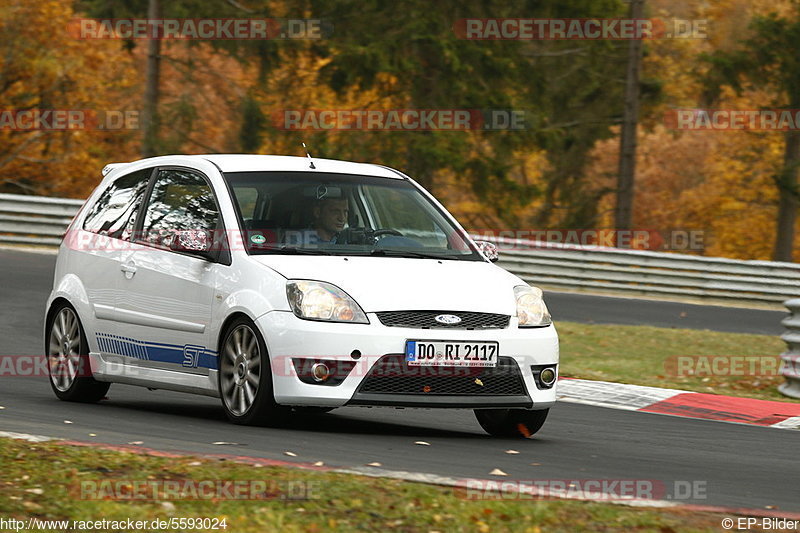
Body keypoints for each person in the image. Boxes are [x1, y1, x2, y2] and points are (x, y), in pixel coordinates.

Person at [285, 196, 349, 246]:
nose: (342, 218)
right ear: (317, 212)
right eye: (335, 211)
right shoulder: (298, 240)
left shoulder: (349, 239)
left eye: (345, 212)